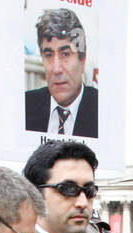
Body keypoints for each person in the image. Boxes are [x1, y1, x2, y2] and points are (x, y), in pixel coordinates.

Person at [24, 8, 98, 137]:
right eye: (48, 55)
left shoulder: (103, 112)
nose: (56, 69)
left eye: (65, 54)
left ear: (82, 61)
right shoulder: (25, 106)